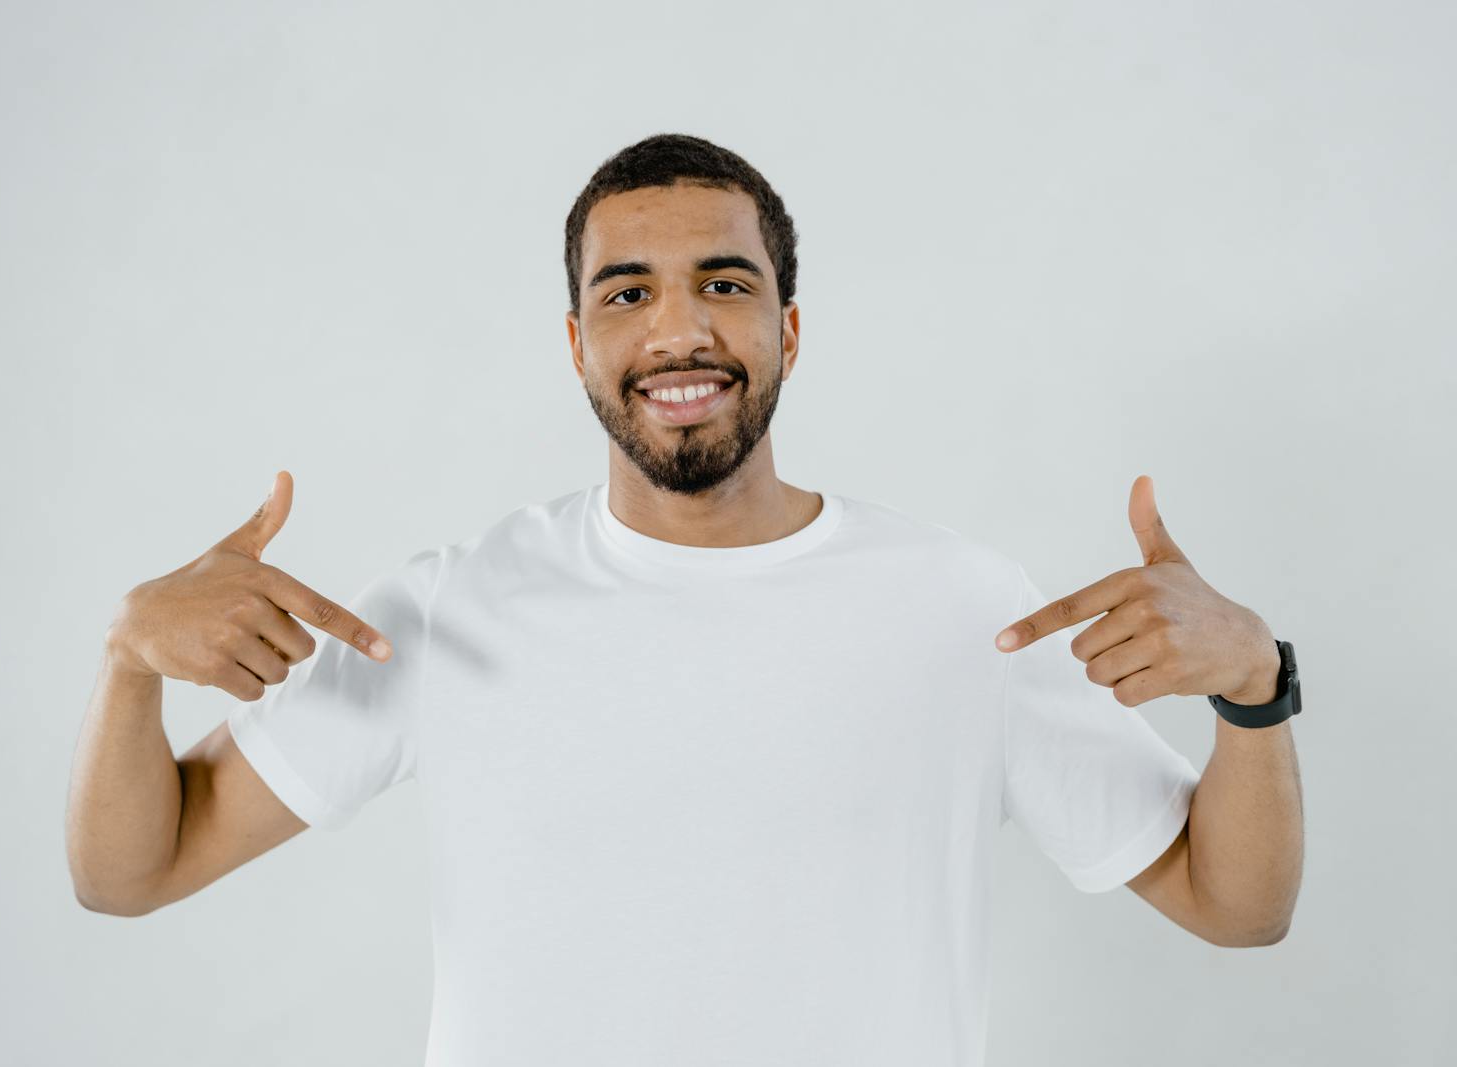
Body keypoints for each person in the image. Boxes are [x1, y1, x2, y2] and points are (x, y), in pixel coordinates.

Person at [67, 133, 1298, 1067]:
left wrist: (1254, 686)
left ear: (788, 326)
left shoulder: (962, 609)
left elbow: (1233, 905)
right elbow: (132, 870)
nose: (678, 330)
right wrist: (129, 659)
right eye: (626, 292)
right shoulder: (452, 608)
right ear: (575, 341)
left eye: (723, 282)